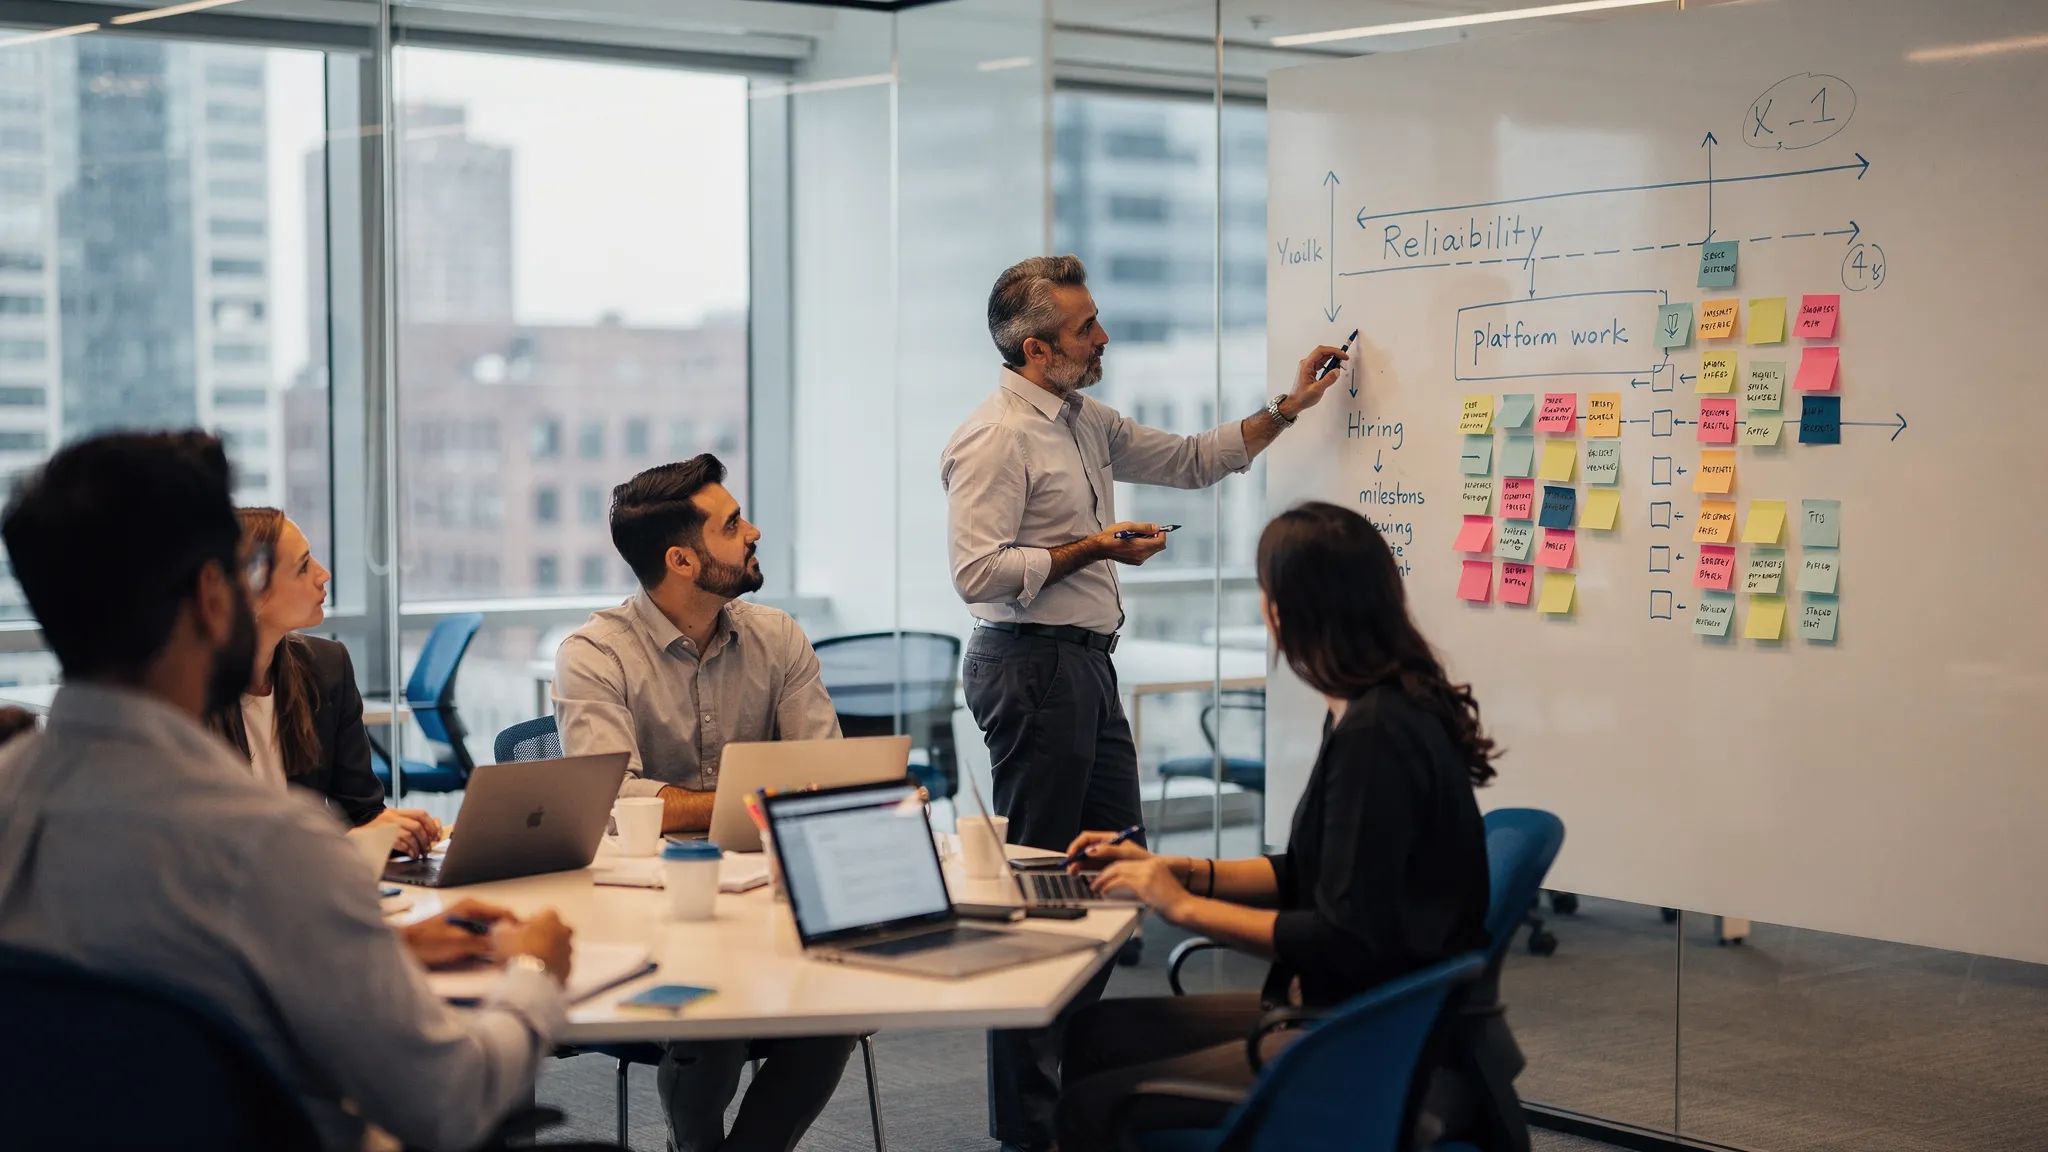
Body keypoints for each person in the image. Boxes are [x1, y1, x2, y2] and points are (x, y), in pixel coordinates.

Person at [0, 431, 576, 1152]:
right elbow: (447, 1105)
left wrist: (374, 953)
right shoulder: (272, 845)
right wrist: (534, 973)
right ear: (216, 598)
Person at [939, 253, 1350, 1150]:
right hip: (1030, 666)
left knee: (1111, 877)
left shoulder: (1084, 420)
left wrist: (1289, 406)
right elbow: (977, 574)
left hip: (1082, 668)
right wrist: (1094, 549)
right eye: (1087, 328)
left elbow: (1197, 460)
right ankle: (1027, 1123)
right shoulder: (998, 435)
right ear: (1039, 348)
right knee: (1044, 900)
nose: (1104, 337)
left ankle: (1077, 1083)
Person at [1051, 501, 1497, 1151]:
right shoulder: (1368, 705)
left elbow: (1343, 938)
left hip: (1365, 1028)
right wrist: (1182, 872)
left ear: (1286, 610)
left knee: (1094, 1110)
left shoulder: (1378, 733)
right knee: (1095, 1035)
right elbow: (1313, 871)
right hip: (1371, 1004)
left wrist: (1179, 908)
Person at [554, 454, 855, 1152]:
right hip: (649, 909)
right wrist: (763, 793)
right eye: (731, 524)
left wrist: (805, 788)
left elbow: (826, 767)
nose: (752, 531)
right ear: (682, 561)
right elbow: (609, 802)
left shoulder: (778, 637)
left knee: (841, 1000)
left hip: (770, 892)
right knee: (714, 1013)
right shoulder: (595, 654)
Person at [205, 506, 443, 858]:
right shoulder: (191, 693)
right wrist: (346, 842)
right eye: (303, 567)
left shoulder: (327, 667)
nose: (323, 574)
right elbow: (210, 847)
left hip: (315, 892)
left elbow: (361, 811)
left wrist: (393, 830)